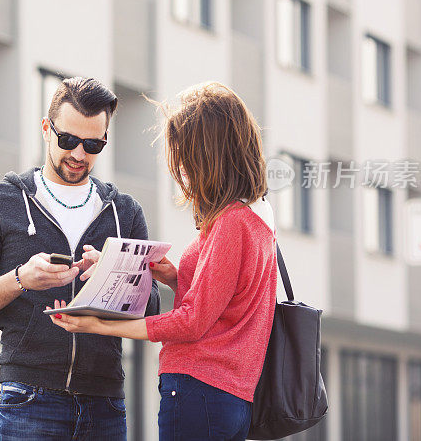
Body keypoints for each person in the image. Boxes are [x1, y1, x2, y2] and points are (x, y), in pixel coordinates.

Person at [49, 82, 277, 441]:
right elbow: (225, 306)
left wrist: (98, 325)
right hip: (232, 399)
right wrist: (171, 276)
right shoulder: (257, 220)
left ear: (208, 154)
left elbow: (191, 323)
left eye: (186, 155)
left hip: (199, 390)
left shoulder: (230, 224)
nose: (182, 169)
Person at [0, 76, 160, 440]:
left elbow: (153, 309)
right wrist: (19, 279)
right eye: (68, 140)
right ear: (47, 129)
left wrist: (113, 277)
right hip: (28, 401)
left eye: (93, 144)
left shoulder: (124, 213)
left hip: (105, 404)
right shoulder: (0, 201)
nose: (79, 154)